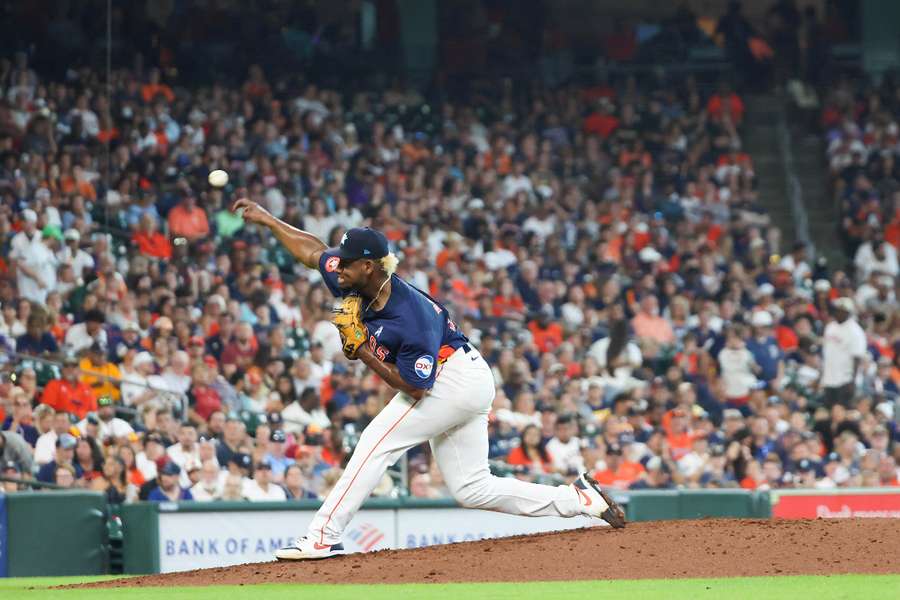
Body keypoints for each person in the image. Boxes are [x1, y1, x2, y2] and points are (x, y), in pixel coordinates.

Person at [233, 199, 624, 561]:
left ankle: (322, 535)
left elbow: (417, 387)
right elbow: (312, 252)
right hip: (463, 373)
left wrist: (362, 352)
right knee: (472, 488)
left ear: (368, 267)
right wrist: (269, 220)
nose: (339, 267)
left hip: (451, 378)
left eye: (347, 263)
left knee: (375, 443)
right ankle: (578, 500)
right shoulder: (354, 276)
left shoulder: (410, 317)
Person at [821, 298, 867, 408]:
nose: (839, 312)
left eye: (843, 310)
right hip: (829, 378)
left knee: (843, 412)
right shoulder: (830, 327)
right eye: (837, 310)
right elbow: (827, 355)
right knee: (829, 411)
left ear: (849, 313)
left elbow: (857, 358)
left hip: (845, 381)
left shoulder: (855, 331)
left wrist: (852, 381)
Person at [40, 353, 97, 419]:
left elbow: (94, 410)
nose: (70, 369)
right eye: (66, 366)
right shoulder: (53, 385)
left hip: (83, 425)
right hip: (60, 423)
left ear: (79, 370)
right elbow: (46, 411)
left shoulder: (87, 388)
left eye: (74, 366)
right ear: (62, 370)